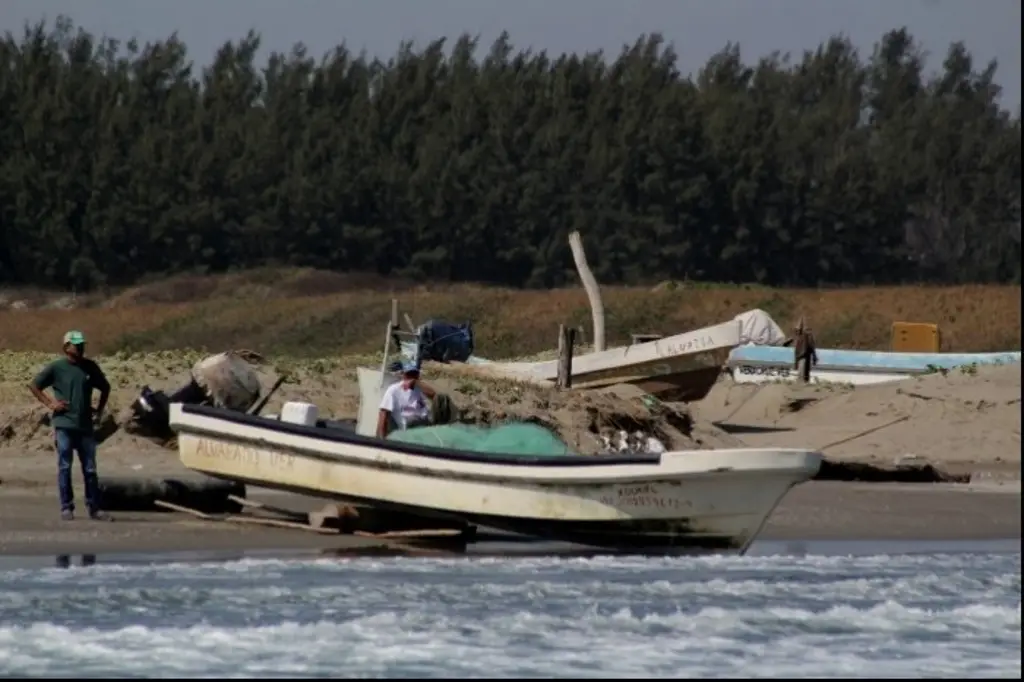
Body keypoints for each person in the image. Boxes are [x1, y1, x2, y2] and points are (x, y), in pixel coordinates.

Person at [28, 330, 112, 521]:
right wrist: (51, 404)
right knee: (65, 466)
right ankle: (67, 507)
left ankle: (94, 508)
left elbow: (105, 387)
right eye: (76, 344)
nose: (80, 347)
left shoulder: (90, 367)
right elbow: (34, 385)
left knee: (90, 468)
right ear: (66, 347)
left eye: (82, 344)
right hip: (64, 423)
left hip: (85, 426)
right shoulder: (57, 367)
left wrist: (99, 410)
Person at [376, 362, 437, 438]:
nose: (411, 377)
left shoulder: (420, 388)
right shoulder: (394, 390)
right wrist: (381, 439)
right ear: (403, 375)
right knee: (412, 420)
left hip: (424, 423)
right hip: (409, 426)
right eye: (409, 375)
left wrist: (416, 382)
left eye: (414, 374)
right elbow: (383, 413)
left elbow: (435, 396)